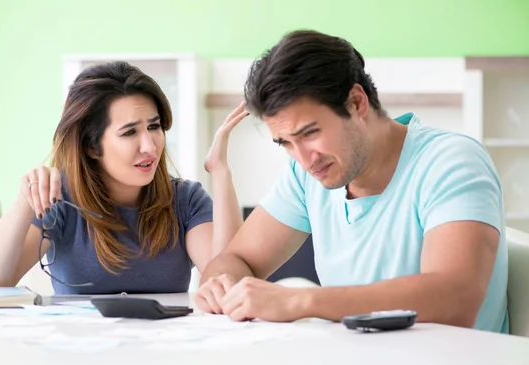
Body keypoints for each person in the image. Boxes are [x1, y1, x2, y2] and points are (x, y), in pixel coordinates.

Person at [195, 30, 509, 333]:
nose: (304, 159)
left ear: (356, 103)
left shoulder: (451, 161)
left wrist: (301, 300)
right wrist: (224, 285)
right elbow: (235, 260)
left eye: (310, 133)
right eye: (286, 143)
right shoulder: (307, 176)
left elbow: (455, 299)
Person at [0, 61, 247, 294]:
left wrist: (221, 172)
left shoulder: (186, 200)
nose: (150, 146)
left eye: (154, 127)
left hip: (163, 352)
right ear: (91, 146)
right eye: (129, 133)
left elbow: (227, 284)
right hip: (80, 353)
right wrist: (25, 199)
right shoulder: (60, 200)